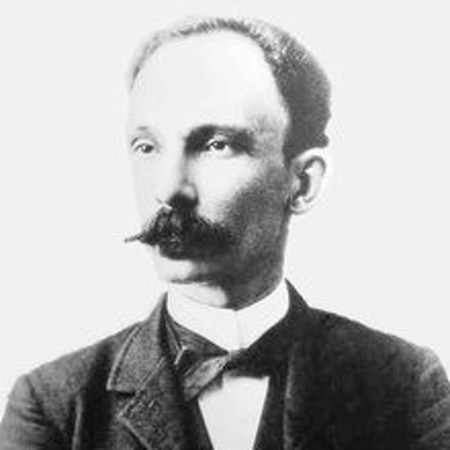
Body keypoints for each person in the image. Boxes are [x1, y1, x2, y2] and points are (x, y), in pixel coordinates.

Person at [1, 16, 449, 450]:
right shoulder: (55, 407)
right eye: (147, 147)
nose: (168, 189)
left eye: (217, 145)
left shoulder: (405, 386)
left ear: (302, 182)